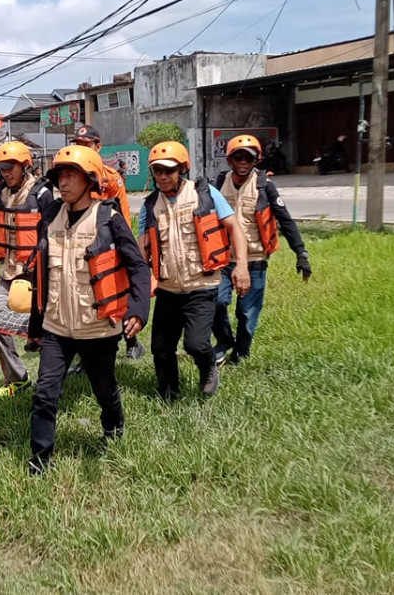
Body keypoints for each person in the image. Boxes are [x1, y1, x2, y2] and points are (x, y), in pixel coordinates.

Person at [27, 146, 151, 475]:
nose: (62, 183)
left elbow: (138, 267)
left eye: (71, 176)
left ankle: (114, 428)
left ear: (90, 180)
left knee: (104, 389)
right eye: (59, 176)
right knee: (44, 394)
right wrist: (35, 328)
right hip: (57, 327)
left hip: (98, 328)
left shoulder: (109, 218)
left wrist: (137, 311)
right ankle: (40, 459)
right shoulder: (51, 216)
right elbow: (42, 273)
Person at [139, 142, 251, 400]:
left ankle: (208, 367)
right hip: (169, 289)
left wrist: (242, 265)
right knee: (161, 348)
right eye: (157, 171)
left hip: (202, 286)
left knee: (196, 344)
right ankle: (169, 394)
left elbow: (234, 228)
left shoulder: (205, 194)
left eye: (169, 171)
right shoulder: (149, 205)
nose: (163, 177)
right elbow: (142, 244)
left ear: (182, 169)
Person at [213, 135, 312, 365]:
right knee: (216, 302)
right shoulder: (220, 183)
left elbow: (285, 220)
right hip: (225, 259)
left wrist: (301, 253)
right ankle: (224, 341)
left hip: (255, 259)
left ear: (256, 160)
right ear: (230, 160)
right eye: (238, 157)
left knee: (247, 313)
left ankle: (241, 353)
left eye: (249, 157)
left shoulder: (264, 185)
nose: (243, 162)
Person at [0, 141, 54, 398]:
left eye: (10, 167)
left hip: (35, 274)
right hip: (8, 272)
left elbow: (52, 233)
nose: (5, 173)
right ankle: (18, 378)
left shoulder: (42, 194)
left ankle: (51, 381)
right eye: (1, 168)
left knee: (44, 329)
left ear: (24, 166)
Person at [69, 124, 144, 360]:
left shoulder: (110, 179)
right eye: (78, 145)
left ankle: (131, 341)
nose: (82, 149)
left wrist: (122, 250)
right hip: (81, 244)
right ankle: (86, 353)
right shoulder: (71, 178)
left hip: (108, 245)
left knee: (114, 295)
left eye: (87, 145)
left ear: (98, 147)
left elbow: (121, 216)